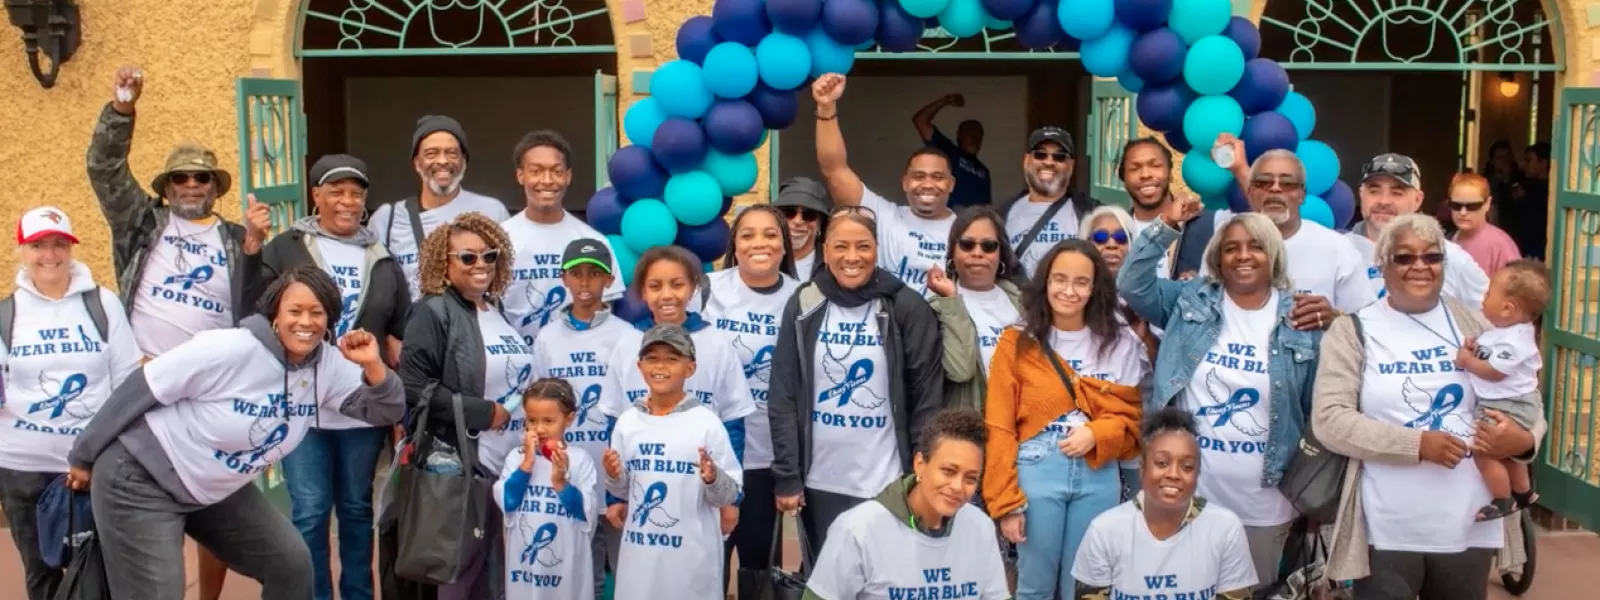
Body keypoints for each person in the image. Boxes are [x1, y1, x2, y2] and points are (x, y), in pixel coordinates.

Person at [66, 265, 404, 600]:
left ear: (329, 319)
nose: (305, 322)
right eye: (295, 311)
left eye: (317, 313)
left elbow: (386, 411)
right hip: (141, 478)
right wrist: (83, 455)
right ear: (275, 313)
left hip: (212, 488)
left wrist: (373, 366)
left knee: (291, 564)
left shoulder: (326, 366)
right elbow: (143, 387)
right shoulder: (230, 348)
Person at [87, 65, 272, 599]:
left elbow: (260, 310)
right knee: (148, 503)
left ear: (216, 186)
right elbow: (103, 168)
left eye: (202, 178)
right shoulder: (141, 225)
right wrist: (122, 110)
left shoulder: (239, 237)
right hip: (144, 381)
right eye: (181, 178)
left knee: (218, 494)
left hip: (212, 388)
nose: (192, 185)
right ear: (166, 187)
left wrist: (259, 248)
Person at [1312, 214, 1544, 599]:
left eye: (1431, 257)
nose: (1420, 266)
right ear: (1382, 265)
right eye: (1404, 257)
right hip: (1387, 529)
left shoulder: (1476, 324)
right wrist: (1416, 444)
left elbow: (1527, 399)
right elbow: (1329, 420)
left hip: (1469, 525)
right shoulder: (1354, 331)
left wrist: (1521, 440)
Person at [1119, 206, 1321, 588]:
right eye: (1231, 248)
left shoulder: (1301, 318)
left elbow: (1316, 412)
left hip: (1266, 501)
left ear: (1273, 254)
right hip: (1188, 494)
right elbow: (1132, 284)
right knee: (1183, 590)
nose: (1243, 256)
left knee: (1252, 592)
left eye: (1256, 247)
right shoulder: (1191, 300)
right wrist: (1165, 225)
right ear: (1217, 257)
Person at [249, 154, 410, 600]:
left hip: (359, 405)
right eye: (335, 191)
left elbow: (399, 328)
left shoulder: (382, 258)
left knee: (358, 510)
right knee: (310, 510)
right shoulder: (285, 247)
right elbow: (255, 311)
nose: (346, 201)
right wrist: (251, 245)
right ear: (316, 195)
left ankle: (357, 595)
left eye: (355, 193)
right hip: (302, 404)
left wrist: (399, 395)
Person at [768, 208, 944, 554]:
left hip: (887, 481)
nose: (852, 257)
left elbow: (927, 399)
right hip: (820, 483)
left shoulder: (906, 306)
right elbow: (784, 394)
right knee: (828, 579)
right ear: (825, 248)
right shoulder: (805, 302)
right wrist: (788, 476)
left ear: (877, 249)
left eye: (863, 246)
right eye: (841, 246)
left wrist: (920, 474)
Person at [983, 239, 1145, 599]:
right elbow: (999, 425)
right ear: (1045, 283)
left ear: (1094, 288)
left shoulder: (1119, 342)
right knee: (1034, 587)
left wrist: (1097, 432)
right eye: (1059, 279)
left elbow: (1131, 423)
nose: (1069, 291)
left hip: (1098, 472)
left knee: (1085, 589)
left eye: (1081, 282)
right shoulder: (1016, 342)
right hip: (1035, 470)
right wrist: (1006, 503)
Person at [386, 212, 530, 599]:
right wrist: (485, 413)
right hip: (462, 463)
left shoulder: (493, 308)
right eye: (467, 258)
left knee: (491, 576)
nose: (480, 265)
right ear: (444, 264)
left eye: (490, 255)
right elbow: (414, 389)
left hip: (506, 462)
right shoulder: (433, 311)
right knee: (458, 574)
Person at [0, 207, 140, 600]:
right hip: (23, 469)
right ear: (22, 252)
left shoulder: (102, 304)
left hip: (93, 466)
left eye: (59, 244)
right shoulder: (6, 315)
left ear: (71, 248)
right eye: (38, 245)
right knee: (41, 573)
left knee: (100, 571)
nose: (50, 255)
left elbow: (127, 384)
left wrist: (99, 454)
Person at [597, 245, 756, 548]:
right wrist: (615, 495)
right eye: (655, 286)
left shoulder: (716, 343)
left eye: (678, 284)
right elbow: (614, 425)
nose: (667, 295)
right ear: (642, 291)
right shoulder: (628, 342)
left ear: (694, 287)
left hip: (698, 494)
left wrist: (731, 499)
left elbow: (733, 424)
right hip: (643, 487)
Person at [700, 205, 801, 598]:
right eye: (748, 235)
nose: (759, 243)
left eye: (770, 234)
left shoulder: (803, 297)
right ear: (734, 245)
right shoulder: (706, 289)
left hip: (766, 458)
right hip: (708, 455)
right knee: (707, 562)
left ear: (784, 245)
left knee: (760, 570)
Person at [802, 410, 1010, 600]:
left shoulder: (980, 527)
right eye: (948, 471)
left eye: (971, 478)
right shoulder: (858, 529)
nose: (958, 486)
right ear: (920, 464)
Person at [601, 324, 742, 600]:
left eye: (672, 358)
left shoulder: (706, 424)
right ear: (639, 367)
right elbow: (622, 492)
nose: (660, 366)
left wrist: (713, 478)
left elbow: (729, 493)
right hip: (640, 561)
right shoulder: (628, 423)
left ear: (690, 368)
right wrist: (613, 476)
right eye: (652, 358)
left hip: (690, 562)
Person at [527, 238, 635, 595]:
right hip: (567, 473)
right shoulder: (547, 337)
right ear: (564, 279)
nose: (585, 283)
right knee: (579, 572)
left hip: (615, 474)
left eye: (594, 274)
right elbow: (538, 408)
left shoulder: (628, 336)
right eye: (577, 274)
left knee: (626, 569)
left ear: (609, 280)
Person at [1070, 407, 1258, 600]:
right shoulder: (1105, 530)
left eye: (1187, 467)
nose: (1173, 474)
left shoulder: (1225, 528)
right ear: (1142, 468)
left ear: (1197, 474)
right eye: (1161, 463)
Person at [814, 73, 956, 298]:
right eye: (918, 176)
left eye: (937, 177)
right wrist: (826, 108)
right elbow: (834, 170)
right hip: (886, 328)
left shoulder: (965, 232)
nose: (927, 184)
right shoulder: (882, 216)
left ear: (951, 184)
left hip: (941, 329)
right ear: (905, 182)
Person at [1213, 136, 1376, 321]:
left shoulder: (1337, 248)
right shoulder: (1224, 244)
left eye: (1287, 184)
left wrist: (1334, 318)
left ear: (1302, 195)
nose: (1275, 189)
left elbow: (1367, 322)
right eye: (1264, 182)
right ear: (1250, 192)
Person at [501, 130, 626, 345]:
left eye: (556, 171)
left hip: (573, 365)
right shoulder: (501, 239)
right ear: (520, 176)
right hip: (515, 367)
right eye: (536, 171)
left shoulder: (592, 241)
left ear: (568, 176)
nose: (547, 180)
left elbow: (607, 314)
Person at [370, 114, 511, 299]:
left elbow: (507, 279)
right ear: (416, 163)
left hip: (474, 324)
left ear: (464, 161)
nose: (443, 161)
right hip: (411, 326)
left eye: (452, 153)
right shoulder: (387, 218)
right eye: (431, 154)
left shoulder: (491, 211)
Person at [1455, 260, 1549, 521]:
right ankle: (1524, 493)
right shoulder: (1504, 330)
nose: (1482, 299)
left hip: (1510, 404)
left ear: (1508, 309)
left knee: (1485, 453)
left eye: (1488, 295)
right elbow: (1491, 351)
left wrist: (1467, 362)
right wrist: (1476, 346)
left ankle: (1502, 499)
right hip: (1506, 402)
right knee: (1507, 454)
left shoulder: (1516, 339)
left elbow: (1496, 371)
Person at [496, 378, 602, 600]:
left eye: (549, 421)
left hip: (565, 567)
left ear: (569, 419)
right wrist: (526, 465)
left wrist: (561, 483)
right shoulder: (516, 458)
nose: (539, 429)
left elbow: (585, 513)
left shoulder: (580, 460)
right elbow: (508, 501)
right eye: (532, 421)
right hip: (524, 571)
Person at [1347, 154, 1489, 303]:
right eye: (1374, 191)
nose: (1383, 201)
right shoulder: (1338, 252)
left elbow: (1492, 315)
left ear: (1417, 200)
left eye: (1397, 193)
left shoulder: (1449, 258)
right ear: (1361, 194)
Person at [927, 207, 1024, 412]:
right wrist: (952, 301)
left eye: (988, 246)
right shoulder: (939, 307)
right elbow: (960, 370)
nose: (977, 253)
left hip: (1022, 428)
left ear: (1001, 254)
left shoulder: (1023, 302)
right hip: (971, 432)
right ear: (953, 251)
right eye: (967, 245)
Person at [1003, 127, 1101, 276]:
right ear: (1026, 161)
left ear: (1071, 165)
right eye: (1040, 155)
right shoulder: (1002, 215)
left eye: (1059, 157)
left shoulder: (1091, 213)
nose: (1049, 162)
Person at [1118, 139, 1213, 280]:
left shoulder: (1203, 224)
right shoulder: (1117, 231)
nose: (1145, 174)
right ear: (1123, 179)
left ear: (1170, 174)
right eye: (1134, 168)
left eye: (1155, 165)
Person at [912, 93, 991, 209]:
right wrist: (946, 100)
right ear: (959, 136)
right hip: (949, 218)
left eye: (978, 134)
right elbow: (920, 120)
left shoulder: (984, 171)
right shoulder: (948, 150)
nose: (975, 137)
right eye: (969, 133)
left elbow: (986, 206)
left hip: (973, 222)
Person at [1447, 172, 1522, 277]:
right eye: (1456, 205)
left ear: (1487, 204)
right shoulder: (1447, 243)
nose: (1463, 212)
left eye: (1472, 206)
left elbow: (1515, 289)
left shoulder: (1501, 245)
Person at [773, 177, 831, 278]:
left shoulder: (833, 262)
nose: (797, 221)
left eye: (809, 214)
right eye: (789, 212)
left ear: (820, 222)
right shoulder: (763, 258)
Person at [1504, 142, 1550, 259]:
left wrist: (1521, 202)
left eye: (1529, 160)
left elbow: (1535, 222)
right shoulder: (1527, 185)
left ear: (1543, 163)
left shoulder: (1548, 191)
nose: (1524, 165)